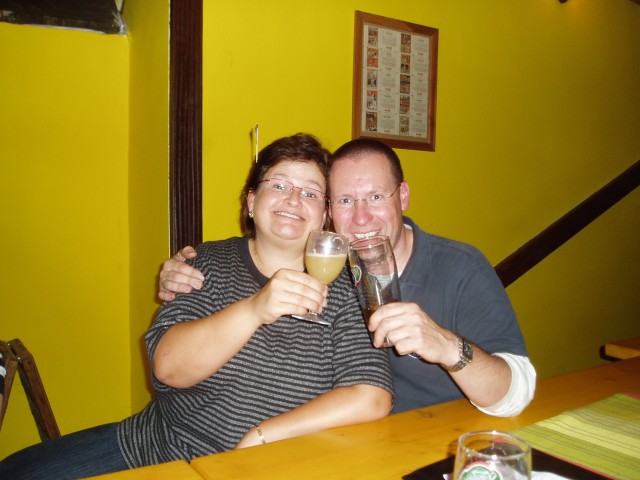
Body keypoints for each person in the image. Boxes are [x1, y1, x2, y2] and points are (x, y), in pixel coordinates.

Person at [0, 134, 393, 479]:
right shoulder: (206, 262)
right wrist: (256, 308)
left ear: (325, 215)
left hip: (265, 467)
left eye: (310, 192)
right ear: (251, 201)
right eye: (279, 185)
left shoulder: (345, 285)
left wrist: (262, 437)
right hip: (155, 448)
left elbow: (371, 393)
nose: (293, 199)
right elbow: (168, 368)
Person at [160, 138, 536, 417]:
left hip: (442, 441)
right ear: (329, 212)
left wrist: (449, 348)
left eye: (375, 197)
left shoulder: (460, 268)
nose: (360, 217)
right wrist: (178, 272)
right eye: (344, 200)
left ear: (403, 196)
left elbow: (517, 395)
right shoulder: (333, 269)